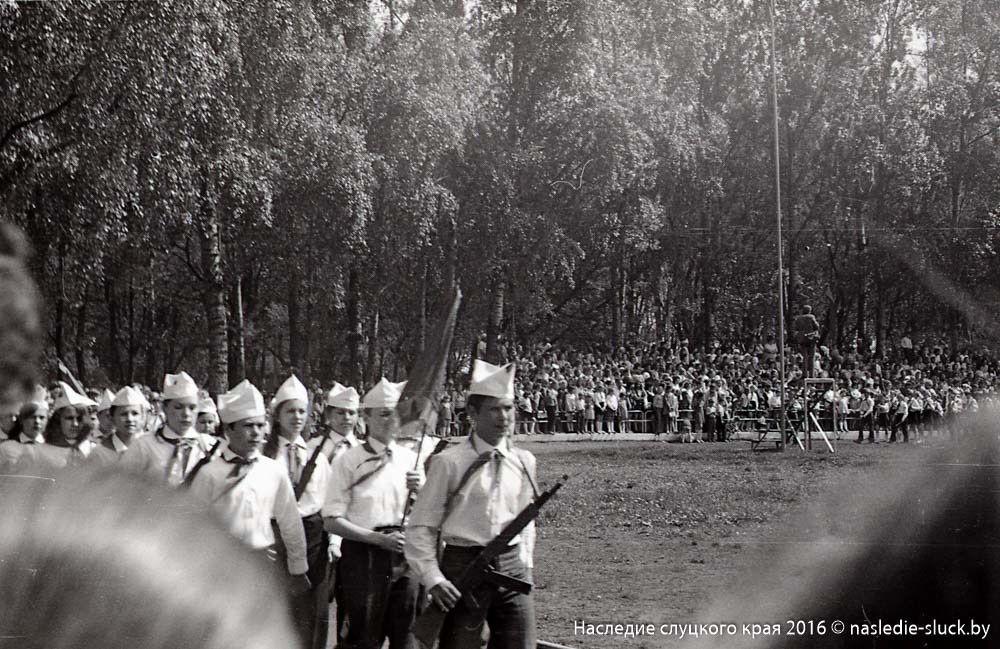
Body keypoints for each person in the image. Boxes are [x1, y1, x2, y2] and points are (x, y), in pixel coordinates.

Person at [0, 467, 300, 649]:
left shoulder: (270, 468)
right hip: (148, 538)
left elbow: (288, 516)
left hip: (226, 557)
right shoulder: (207, 471)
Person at [406, 360, 539, 649]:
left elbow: (526, 521)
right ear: (473, 413)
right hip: (463, 566)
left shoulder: (524, 461)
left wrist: (524, 562)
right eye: (494, 409)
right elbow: (420, 528)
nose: (503, 417)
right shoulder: (449, 462)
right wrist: (433, 578)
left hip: (512, 570)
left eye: (508, 408)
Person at [324, 377, 424, 649]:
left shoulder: (410, 459)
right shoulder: (349, 460)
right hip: (363, 557)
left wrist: (420, 491)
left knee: (407, 637)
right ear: (365, 417)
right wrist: (378, 540)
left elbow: (425, 515)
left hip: (405, 555)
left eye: (395, 414)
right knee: (362, 637)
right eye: (383, 414)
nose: (391, 420)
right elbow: (331, 520)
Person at [188, 379, 311, 593]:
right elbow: (193, 527)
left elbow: (290, 521)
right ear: (229, 429)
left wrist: (298, 568)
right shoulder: (210, 474)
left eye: (260, 425)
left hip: (265, 566)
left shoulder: (273, 470)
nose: (256, 432)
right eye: (248, 426)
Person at [265, 375, 331, 649]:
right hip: (275, 536)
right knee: (277, 609)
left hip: (312, 536)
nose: (297, 417)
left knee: (312, 613)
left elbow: (326, 502)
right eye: (290, 410)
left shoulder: (319, 455)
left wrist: (332, 543)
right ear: (277, 415)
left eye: (302, 411)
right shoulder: (265, 455)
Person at [121, 372, 214, 486]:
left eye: (192, 408)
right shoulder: (143, 445)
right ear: (164, 408)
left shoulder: (209, 446)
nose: (186, 414)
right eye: (178, 407)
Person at [14, 382, 99, 471]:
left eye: (79, 419)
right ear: (58, 420)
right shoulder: (38, 452)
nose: (75, 424)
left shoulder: (94, 450)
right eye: (69, 418)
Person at [793, 306, 821, 378]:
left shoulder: (798, 318)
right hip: (811, 338)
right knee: (811, 357)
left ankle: (804, 374)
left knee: (804, 357)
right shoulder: (811, 317)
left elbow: (796, 328)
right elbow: (816, 326)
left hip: (802, 339)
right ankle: (811, 374)